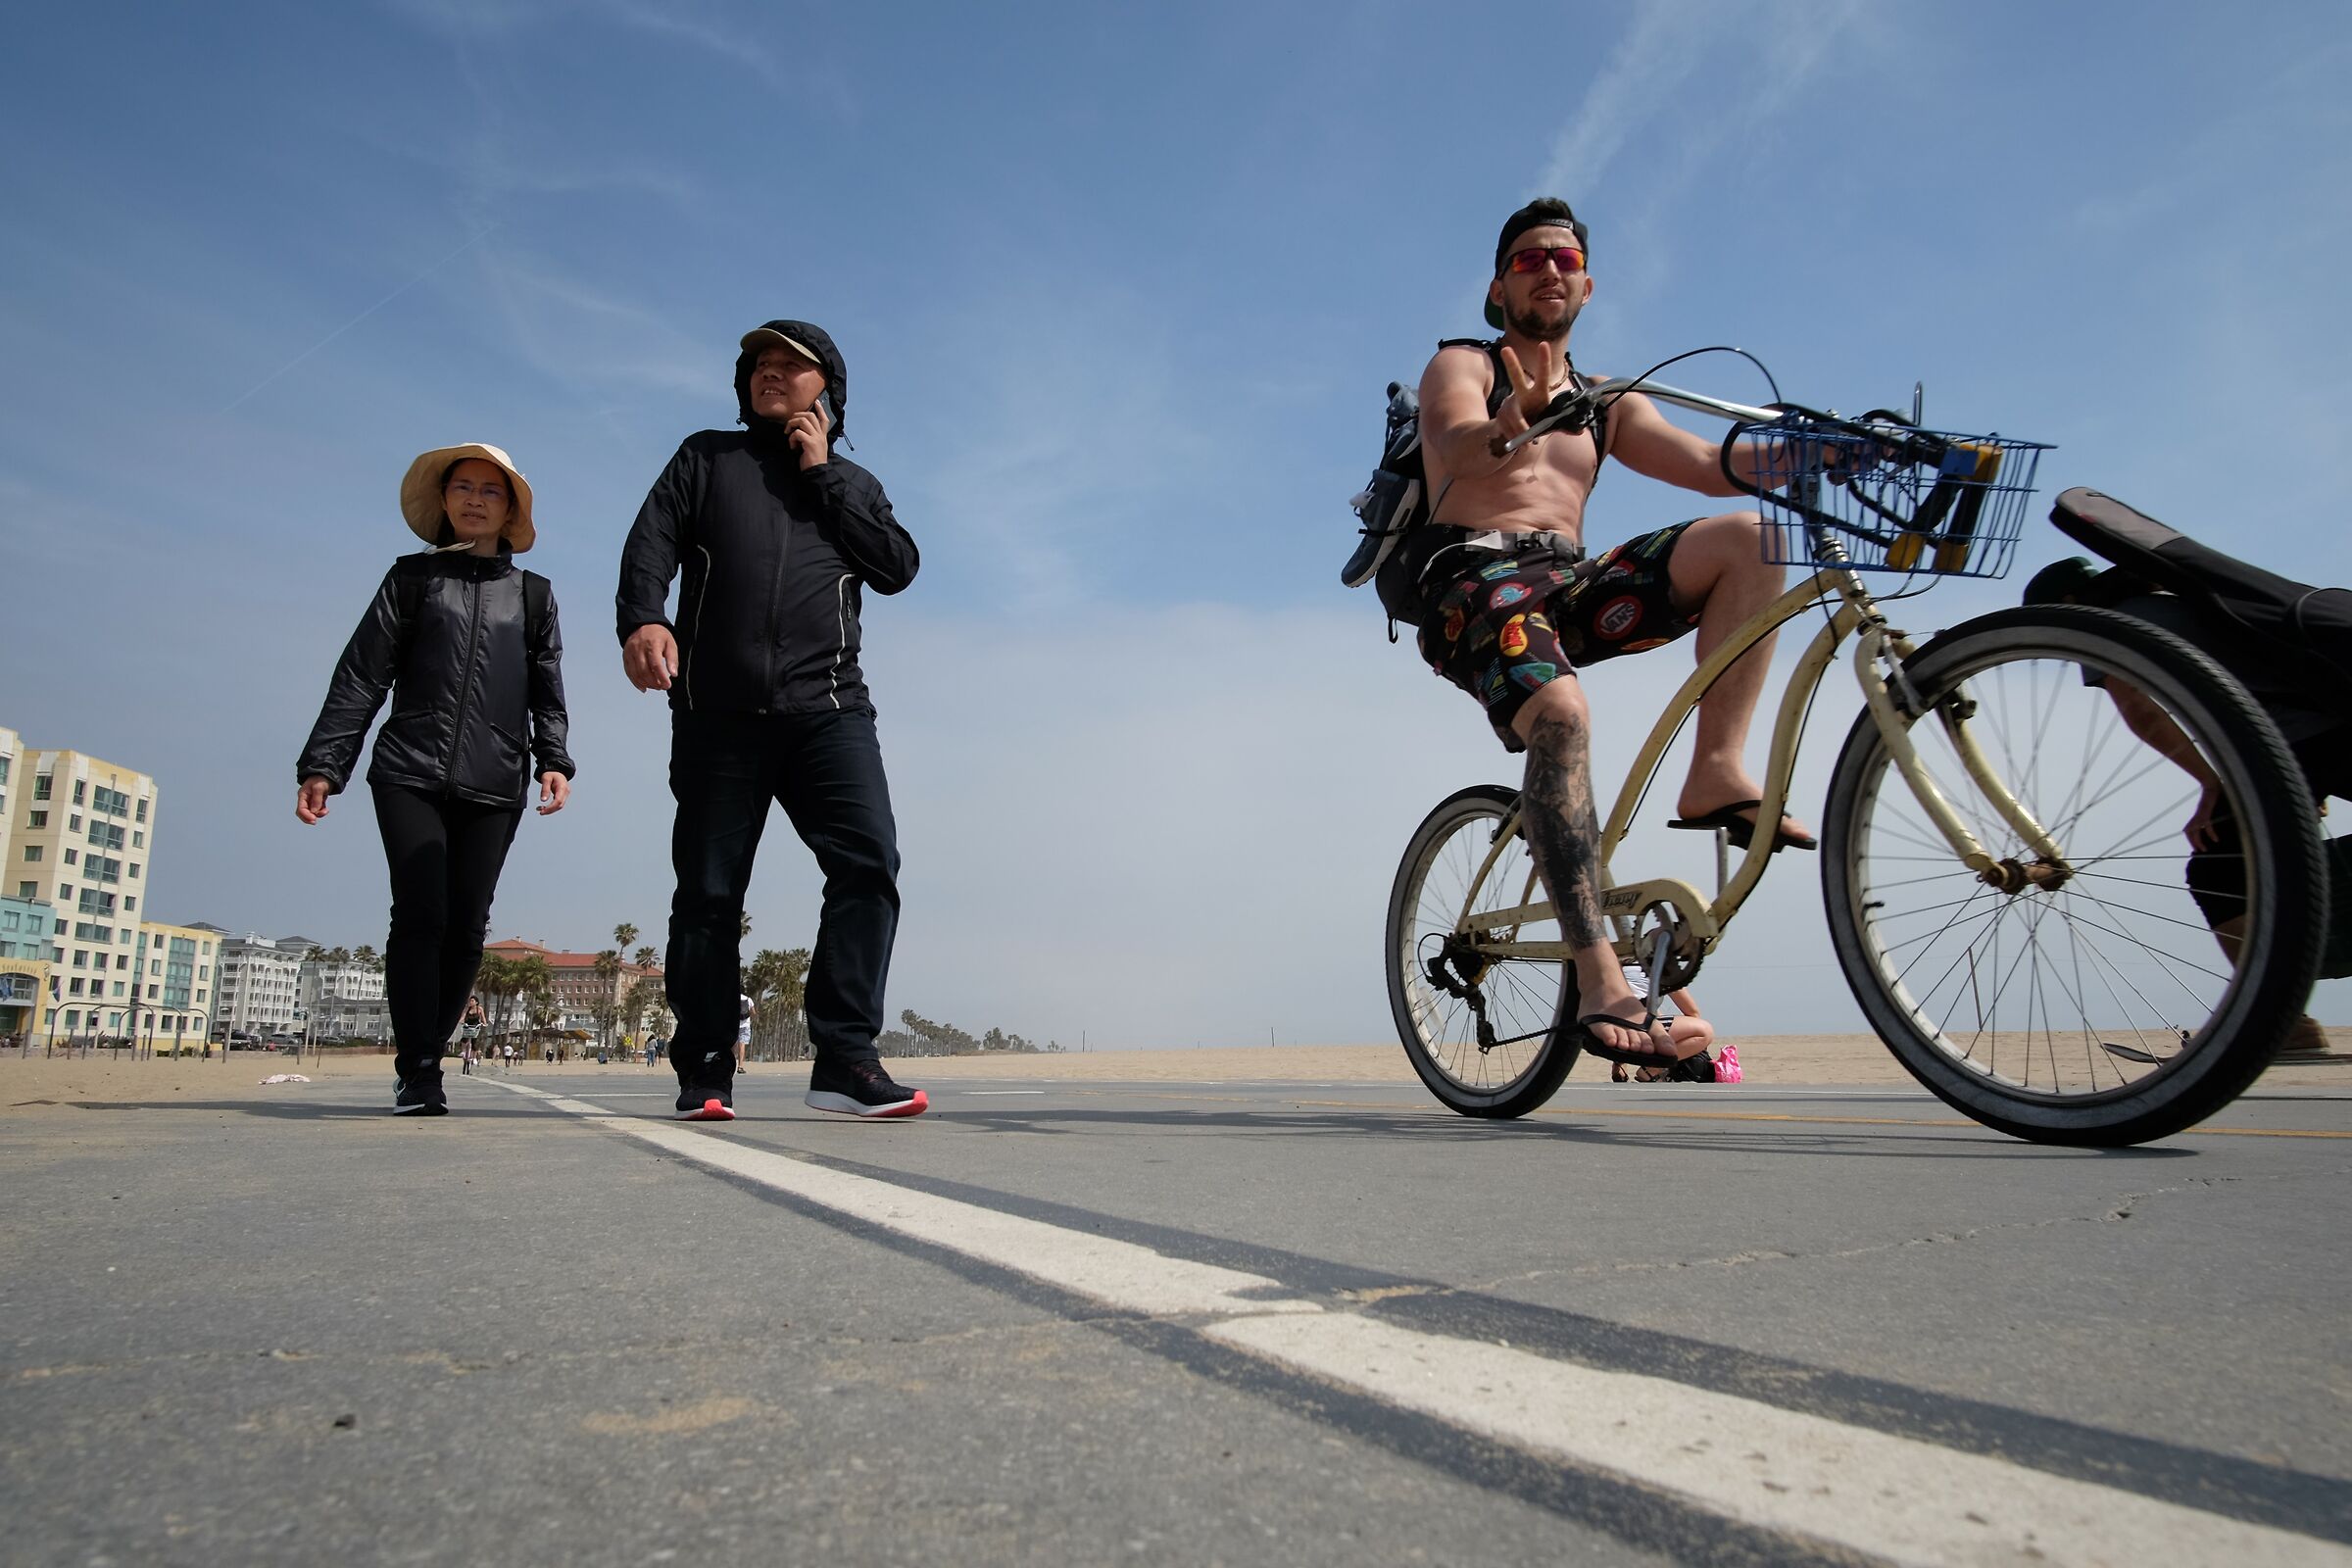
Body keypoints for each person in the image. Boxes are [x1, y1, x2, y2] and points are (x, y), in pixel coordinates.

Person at [1406, 199, 1809, 1071]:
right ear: (1498, 285)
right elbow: (1455, 440)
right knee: (1561, 715)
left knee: (1753, 539)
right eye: (1528, 258)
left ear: (1586, 284)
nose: (1548, 268)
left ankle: (1715, 771)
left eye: (1564, 257)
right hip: (1470, 582)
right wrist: (1514, 420)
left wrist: (1810, 460)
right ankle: (1597, 974)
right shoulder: (1464, 363)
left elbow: (1707, 466)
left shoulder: (1605, 402)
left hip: (1565, 580)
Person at [617, 320, 928, 1122]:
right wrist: (642, 619)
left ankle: (845, 1059)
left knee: (868, 865)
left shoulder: (853, 484)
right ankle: (707, 1068)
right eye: (760, 363)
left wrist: (822, 473)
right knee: (710, 896)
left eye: (792, 365)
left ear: (828, 388)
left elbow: (896, 568)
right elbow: (651, 540)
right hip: (718, 716)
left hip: (829, 712)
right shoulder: (706, 458)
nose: (771, 373)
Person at [298, 443, 575, 1115]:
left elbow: (547, 689)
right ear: (445, 500)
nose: (475, 499)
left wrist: (555, 760)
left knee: (467, 926)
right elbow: (362, 674)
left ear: (509, 509)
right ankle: (419, 1066)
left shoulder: (534, 596)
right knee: (421, 913)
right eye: (463, 487)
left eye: (491, 490)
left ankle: (430, 1050)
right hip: (407, 772)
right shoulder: (410, 581)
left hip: (496, 780)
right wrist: (325, 764)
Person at [2024, 553, 2349, 1059]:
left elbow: (2141, 711)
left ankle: (2278, 1021)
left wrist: (2212, 783)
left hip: (2294, 744)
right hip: (2330, 720)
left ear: (2067, 605)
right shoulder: (2185, 600)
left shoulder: (2103, 623)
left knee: (2218, 869)